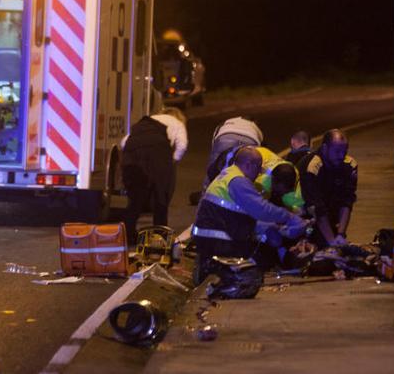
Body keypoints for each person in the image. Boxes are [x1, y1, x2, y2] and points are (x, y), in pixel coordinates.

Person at [192, 146, 308, 284]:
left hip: (212, 235)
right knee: (255, 265)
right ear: (248, 165)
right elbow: (262, 209)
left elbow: (242, 217)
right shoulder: (239, 182)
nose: (259, 173)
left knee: (261, 239)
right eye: (258, 169)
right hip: (219, 239)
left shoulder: (228, 175)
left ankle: (213, 267)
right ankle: (216, 269)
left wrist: (271, 227)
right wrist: (289, 217)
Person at [121, 107, 188, 245]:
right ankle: (160, 236)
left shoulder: (145, 122)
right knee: (161, 198)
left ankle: (127, 236)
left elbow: (124, 143)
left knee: (135, 199)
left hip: (131, 155)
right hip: (158, 154)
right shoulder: (177, 123)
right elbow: (182, 145)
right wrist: (172, 161)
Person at [298, 129, 357, 247]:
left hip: (330, 215)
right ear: (325, 148)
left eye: (344, 152)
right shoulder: (311, 166)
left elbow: (347, 201)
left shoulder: (349, 165)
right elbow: (316, 206)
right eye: (337, 152)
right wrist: (331, 242)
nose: (341, 156)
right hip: (306, 218)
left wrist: (341, 234)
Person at [203, 116, 263, 187]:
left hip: (225, 137)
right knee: (247, 173)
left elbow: (214, 141)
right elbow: (259, 145)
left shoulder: (226, 123)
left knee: (212, 173)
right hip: (249, 139)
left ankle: (207, 193)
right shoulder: (255, 127)